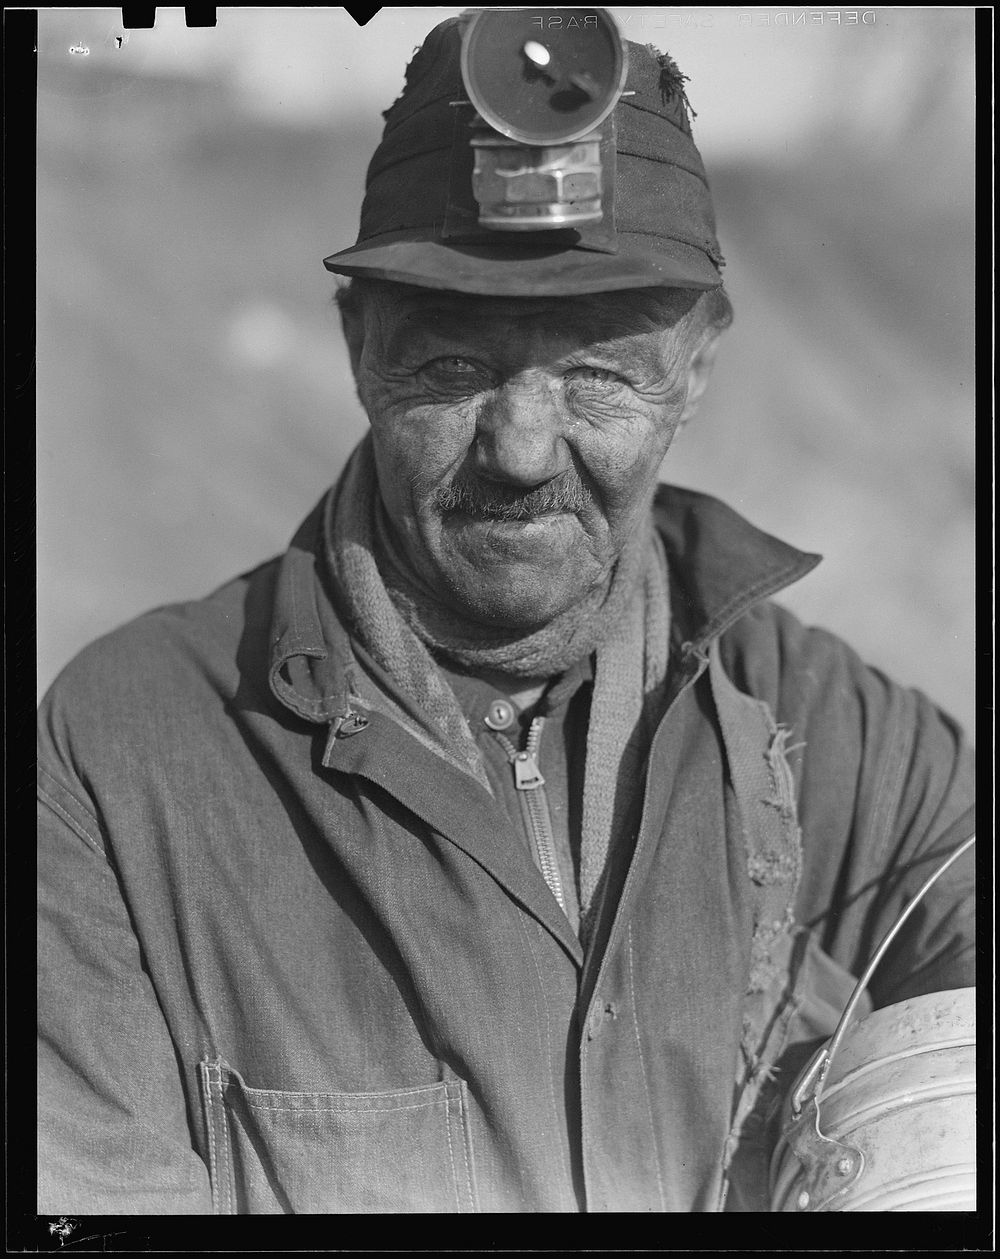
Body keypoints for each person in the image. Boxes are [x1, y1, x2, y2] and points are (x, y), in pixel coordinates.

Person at [37, 14, 974, 1215]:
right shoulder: (120, 767)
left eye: (598, 371)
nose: (523, 451)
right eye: (454, 365)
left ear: (694, 367)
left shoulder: (833, 737)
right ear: (359, 348)